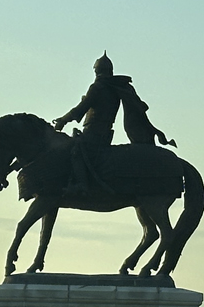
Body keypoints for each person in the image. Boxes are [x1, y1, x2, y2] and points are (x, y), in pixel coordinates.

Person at [53, 54, 174, 200]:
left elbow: (80, 109)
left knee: (75, 151)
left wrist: (63, 120)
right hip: (103, 133)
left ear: (96, 71)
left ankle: (82, 184)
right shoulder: (113, 88)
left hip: (94, 133)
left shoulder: (98, 87)